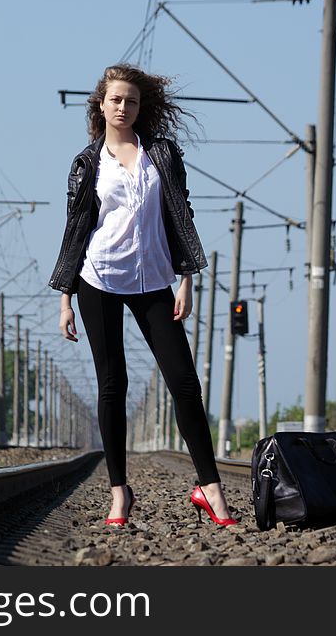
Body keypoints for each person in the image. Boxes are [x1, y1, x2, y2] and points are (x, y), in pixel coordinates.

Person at [49, 64, 236, 527]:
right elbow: (76, 228)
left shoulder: (163, 154)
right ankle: (119, 494)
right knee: (113, 386)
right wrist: (65, 296)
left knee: (185, 384)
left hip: (155, 279)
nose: (123, 107)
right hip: (100, 278)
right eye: (115, 100)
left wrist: (188, 277)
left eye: (131, 101)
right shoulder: (87, 162)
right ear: (101, 104)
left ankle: (210, 489)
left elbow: (181, 214)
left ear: (139, 107)